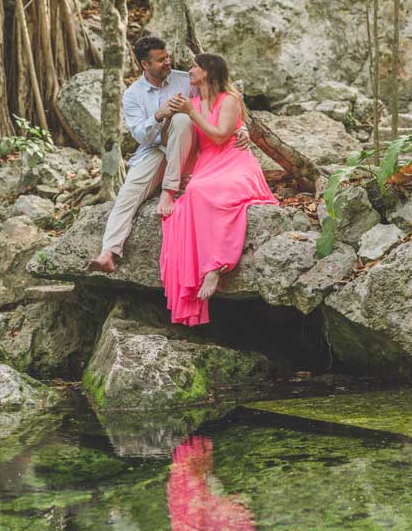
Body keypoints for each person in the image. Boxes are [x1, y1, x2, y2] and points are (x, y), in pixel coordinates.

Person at [89, 36, 250, 273]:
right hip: (155, 150)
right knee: (129, 193)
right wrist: (158, 115)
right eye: (160, 60)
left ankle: (169, 189)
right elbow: (141, 138)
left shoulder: (187, 81)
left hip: (190, 150)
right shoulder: (133, 95)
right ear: (145, 64)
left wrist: (241, 127)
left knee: (184, 118)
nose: (168, 63)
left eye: (167, 57)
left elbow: (220, 99)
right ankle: (108, 253)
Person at [159, 53, 278, 326]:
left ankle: (215, 266)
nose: (189, 70)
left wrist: (192, 113)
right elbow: (182, 137)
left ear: (208, 72)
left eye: (194, 66)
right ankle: (205, 267)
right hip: (208, 163)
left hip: (234, 161)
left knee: (208, 193)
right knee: (195, 192)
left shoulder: (230, 100)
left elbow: (220, 135)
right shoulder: (195, 101)